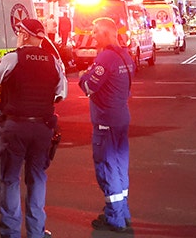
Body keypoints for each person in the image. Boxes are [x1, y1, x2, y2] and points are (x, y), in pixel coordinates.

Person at [0, 17, 67, 238]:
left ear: (24, 35)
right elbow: (61, 93)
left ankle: (11, 232)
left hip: (15, 127)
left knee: (10, 179)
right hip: (42, 128)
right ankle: (36, 232)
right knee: (37, 178)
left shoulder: (13, 58)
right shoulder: (53, 61)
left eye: (19, 33)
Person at [79, 17, 133, 233]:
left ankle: (115, 217)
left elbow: (89, 86)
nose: (92, 35)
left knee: (107, 168)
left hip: (106, 121)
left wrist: (83, 76)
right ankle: (122, 211)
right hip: (121, 117)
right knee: (119, 166)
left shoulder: (105, 57)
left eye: (95, 31)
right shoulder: (125, 56)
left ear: (105, 33)